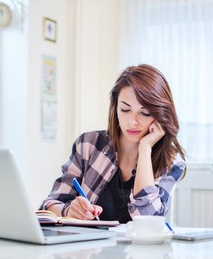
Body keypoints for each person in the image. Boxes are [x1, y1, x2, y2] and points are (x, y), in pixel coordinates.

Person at [40, 64, 186, 223]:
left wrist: (145, 149)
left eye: (144, 113)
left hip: (139, 248)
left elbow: (148, 220)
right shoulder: (89, 145)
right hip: (89, 246)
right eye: (125, 109)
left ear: (160, 114)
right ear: (115, 108)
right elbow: (49, 206)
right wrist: (69, 210)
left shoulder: (172, 162)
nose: (132, 121)